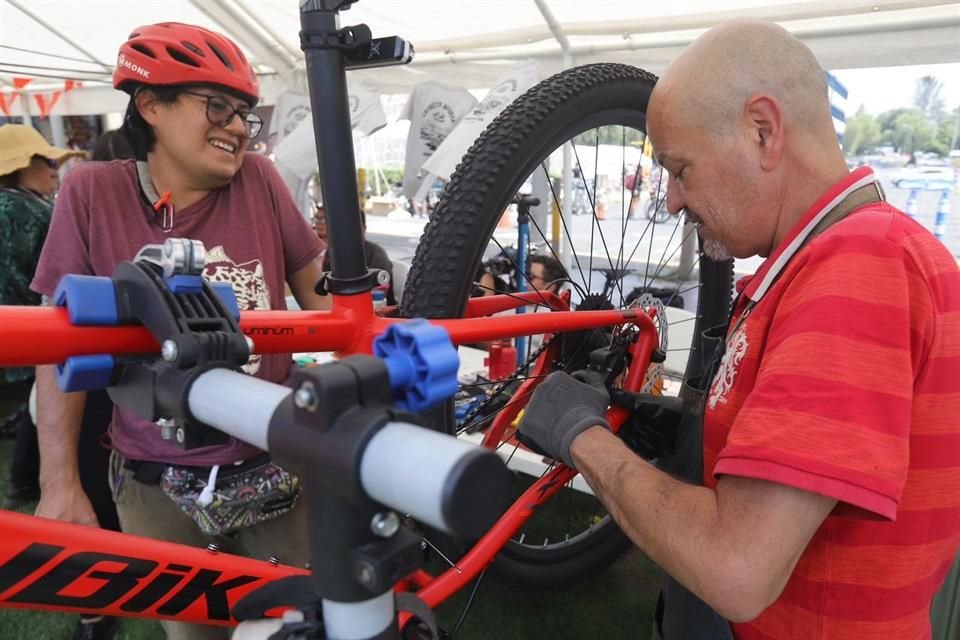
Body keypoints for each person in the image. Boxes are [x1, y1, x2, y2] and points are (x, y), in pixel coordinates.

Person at [518, 19, 960, 640]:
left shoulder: (860, 266)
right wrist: (668, 427)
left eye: (680, 168)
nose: (670, 200)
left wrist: (580, 436)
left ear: (763, 131)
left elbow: (736, 569)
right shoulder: (829, 261)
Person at [31, 22, 329, 640]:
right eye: (216, 106)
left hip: (272, 460)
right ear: (150, 106)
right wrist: (58, 483)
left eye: (246, 112)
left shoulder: (263, 181)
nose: (240, 126)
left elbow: (325, 301)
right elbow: (59, 345)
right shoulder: (89, 192)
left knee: (296, 625)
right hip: (153, 478)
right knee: (195, 633)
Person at [0, 124, 85, 511]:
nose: (55, 170)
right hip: (35, 329)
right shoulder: (31, 210)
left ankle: (21, 482)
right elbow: (51, 280)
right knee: (46, 404)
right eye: (47, 162)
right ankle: (28, 482)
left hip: (12, 331)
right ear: (19, 167)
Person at [314, 203, 397, 305]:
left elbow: (377, 295)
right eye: (317, 219)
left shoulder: (376, 255)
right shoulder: (330, 254)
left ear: (362, 229)